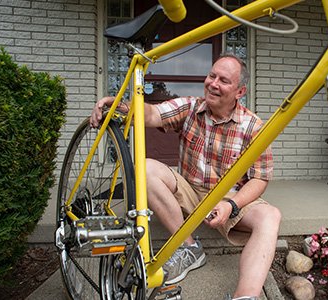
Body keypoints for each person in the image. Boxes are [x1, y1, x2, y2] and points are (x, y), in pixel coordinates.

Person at [90, 53, 281, 300]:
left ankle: (245, 297)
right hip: (189, 190)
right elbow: (151, 114)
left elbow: (259, 178)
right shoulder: (191, 107)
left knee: (270, 216)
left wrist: (231, 205)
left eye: (224, 80)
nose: (213, 83)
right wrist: (119, 105)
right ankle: (190, 248)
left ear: (240, 91)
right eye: (212, 75)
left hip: (228, 197)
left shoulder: (254, 126)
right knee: (144, 168)